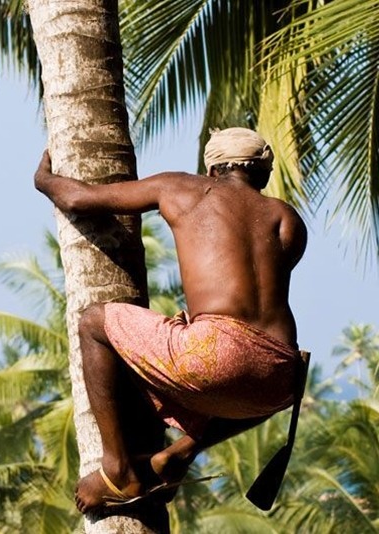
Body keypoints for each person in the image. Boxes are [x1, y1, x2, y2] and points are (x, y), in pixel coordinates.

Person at [34, 127, 307, 514]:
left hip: (215, 356)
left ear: (212, 169)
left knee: (95, 323)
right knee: (237, 367)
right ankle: (180, 452)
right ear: (263, 175)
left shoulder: (182, 187)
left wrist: (44, 180)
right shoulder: (287, 219)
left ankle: (118, 468)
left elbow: (78, 199)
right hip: (280, 380)